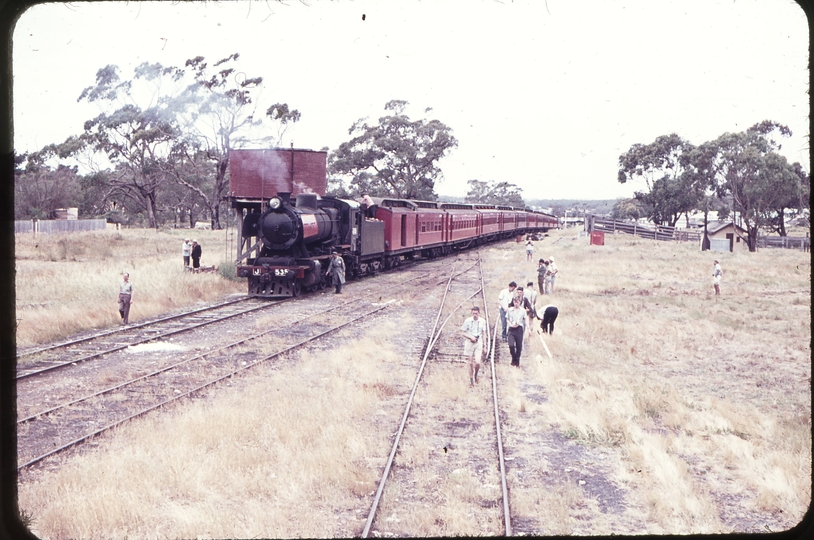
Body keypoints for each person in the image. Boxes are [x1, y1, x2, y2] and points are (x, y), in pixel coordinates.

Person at [461, 306, 487, 387]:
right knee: (470, 362)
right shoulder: (467, 321)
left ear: (479, 313)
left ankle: (476, 374)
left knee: (478, 362)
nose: (475, 315)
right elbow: (462, 332)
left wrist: (485, 346)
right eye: (473, 313)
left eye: (476, 313)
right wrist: (470, 337)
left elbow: (484, 334)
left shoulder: (482, 321)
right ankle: (471, 380)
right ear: (471, 313)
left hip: (478, 342)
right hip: (469, 343)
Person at [506, 296, 526, 366]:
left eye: (517, 302)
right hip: (511, 329)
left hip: (519, 329)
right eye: (515, 302)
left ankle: (517, 361)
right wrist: (510, 325)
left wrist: (528, 328)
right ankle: (513, 357)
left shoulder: (523, 311)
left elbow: (525, 320)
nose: (516, 304)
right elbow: (507, 319)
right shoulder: (509, 310)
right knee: (511, 345)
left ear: (520, 302)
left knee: (519, 346)